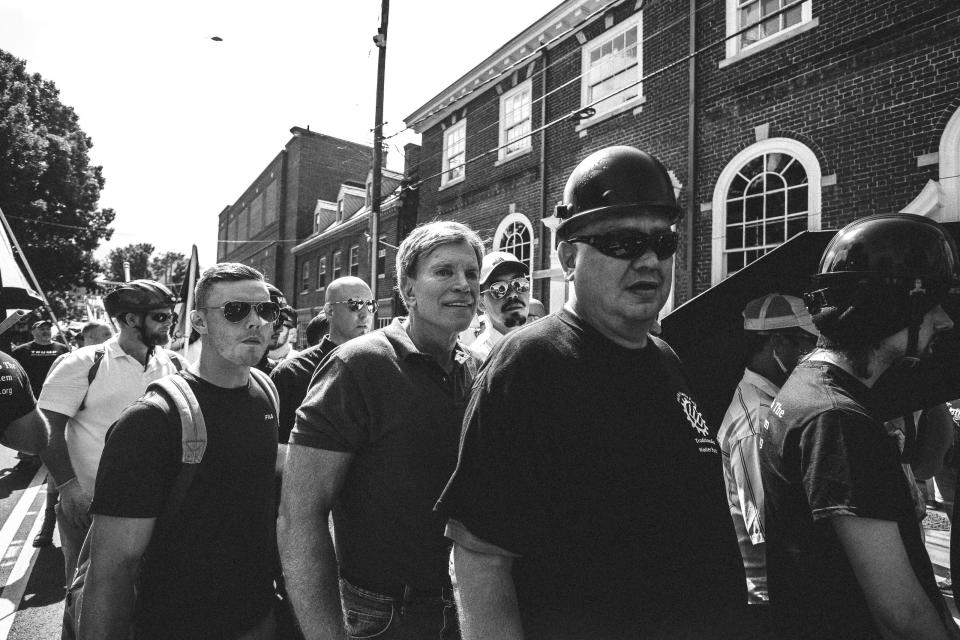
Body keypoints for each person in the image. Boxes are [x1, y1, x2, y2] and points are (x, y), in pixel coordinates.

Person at [436, 146, 745, 639]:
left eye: (662, 241)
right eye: (622, 241)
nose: (648, 259)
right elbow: (479, 558)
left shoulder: (665, 359)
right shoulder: (530, 366)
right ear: (567, 256)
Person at [279, 221, 483, 640]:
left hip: (467, 608)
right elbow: (300, 517)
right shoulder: (358, 366)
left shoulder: (476, 368)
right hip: (384, 617)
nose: (464, 284)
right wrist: (325, 634)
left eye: (472, 273)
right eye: (444, 272)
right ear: (408, 290)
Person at [760, 213, 960, 639]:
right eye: (931, 307)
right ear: (893, 309)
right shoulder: (838, 419)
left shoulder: (807, 388)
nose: (944, 321)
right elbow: (902, 614)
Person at [79, 263, 281, 640]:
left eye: (266, 310)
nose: (256, 322)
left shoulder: (266, 390)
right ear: (199, 321)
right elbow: (111, 571)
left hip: (259, 617)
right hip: (178, 624)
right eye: (236, 310)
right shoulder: (152, 421)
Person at [37, 279, 183, 596]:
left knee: (146, 602)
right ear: (131, 319)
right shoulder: (83, 363)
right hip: (90, 510)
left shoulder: (173, 364)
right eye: (161, 316)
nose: (169, 322)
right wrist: (68, 487)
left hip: (154, 510)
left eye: (170, 315)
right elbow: (46, 430)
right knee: (86, 599)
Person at [717, 294, 818, 607]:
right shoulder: (756, 421)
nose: (812, 352)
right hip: (768, 593)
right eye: (804, 342)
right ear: (778, 342)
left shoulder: (773, 403)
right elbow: (762, 525)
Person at [270, 276, 374, 447]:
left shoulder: (379, 368)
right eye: (354, 304)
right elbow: (271, 448)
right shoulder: (290, 373)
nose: (365, 314)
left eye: (370, 305)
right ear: (330, 311)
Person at [465, 251, 530, 361]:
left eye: (519, 284)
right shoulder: (476, 360)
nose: (513, 294)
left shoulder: (545, 346)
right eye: (499, 288)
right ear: (481, 303)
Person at [0, 350, 50, 458]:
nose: (45, 331)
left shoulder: (8, 363)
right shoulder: (9, 361)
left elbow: (34, 442)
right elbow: (34, 443)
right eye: (41, 330)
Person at [12, 319, 71, 394]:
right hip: (31, 393)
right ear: (33, 332)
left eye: (48, 329)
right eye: (42, 329)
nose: (46, 331)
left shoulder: (64, 349)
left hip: (56, 392)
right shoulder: (20, 351)